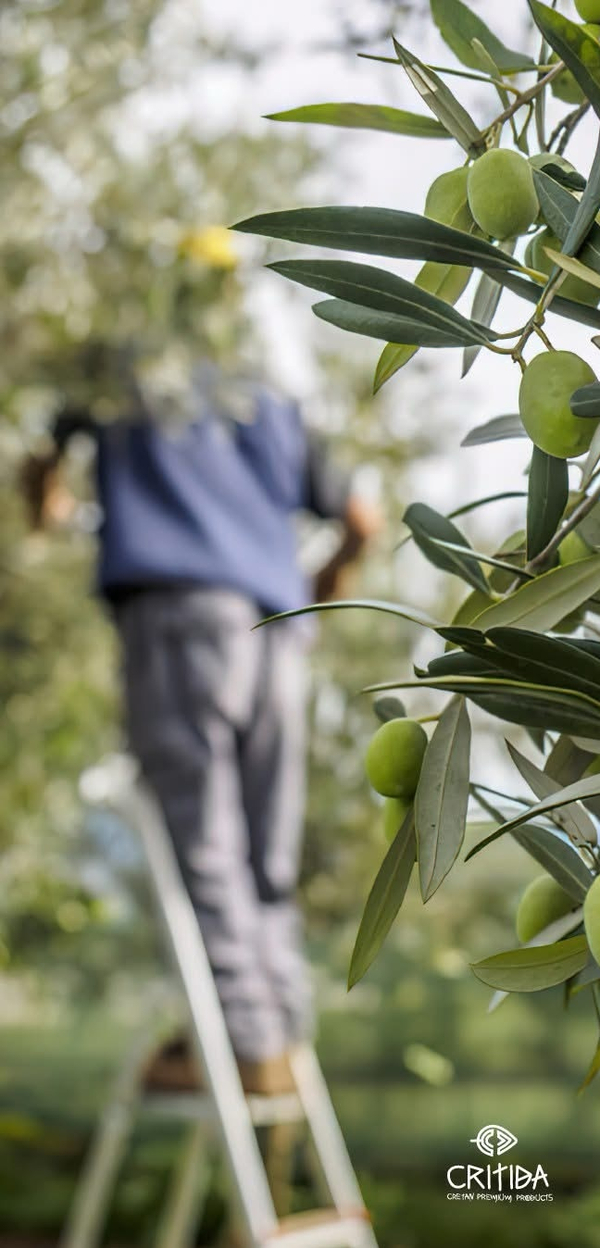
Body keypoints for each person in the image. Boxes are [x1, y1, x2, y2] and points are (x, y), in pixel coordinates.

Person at [22, 352, 378, 1096]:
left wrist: (46, 502)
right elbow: (362, 522)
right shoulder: (266, 392)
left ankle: (247, 1048)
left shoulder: (122, 362)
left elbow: (43, 464)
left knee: (207, 840)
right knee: (267, 856)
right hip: (279, 629)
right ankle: (278, 1033)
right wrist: (316, 591)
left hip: (183, 616)